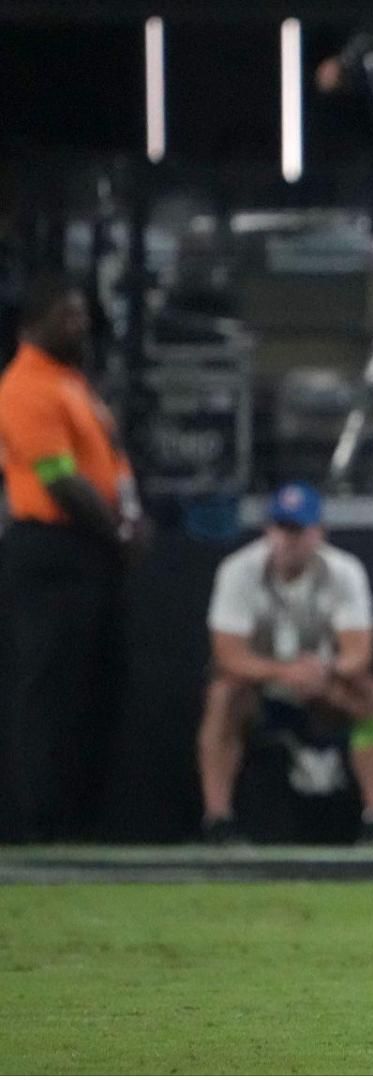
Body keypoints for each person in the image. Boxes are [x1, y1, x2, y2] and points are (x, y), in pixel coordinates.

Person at [0, 277, 142, 841]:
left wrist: (130, 515)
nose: (79, 327)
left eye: (81, 317)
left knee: (93, 686)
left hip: (93, 550)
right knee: (49, 685)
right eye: (67, 317)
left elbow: (109, 459)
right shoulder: (23, 388)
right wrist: (117, 531)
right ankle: (43, 820)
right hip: (53, 550)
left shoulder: (74, 385)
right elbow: (60, 480)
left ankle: (86, 816)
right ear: (31, 326)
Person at [200, 483, 373, 844]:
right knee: (223, 694)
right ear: (268, 531)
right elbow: (228, 654)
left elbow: (359, 653)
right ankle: (218, 820)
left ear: (318, 532)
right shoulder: (238, 571)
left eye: (298, 530)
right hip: (261, 683)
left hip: (321, 681)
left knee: (371, 693)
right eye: (281, 528)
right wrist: (283, 672)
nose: (288, 540)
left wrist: (325, 670)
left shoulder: (344, 571)